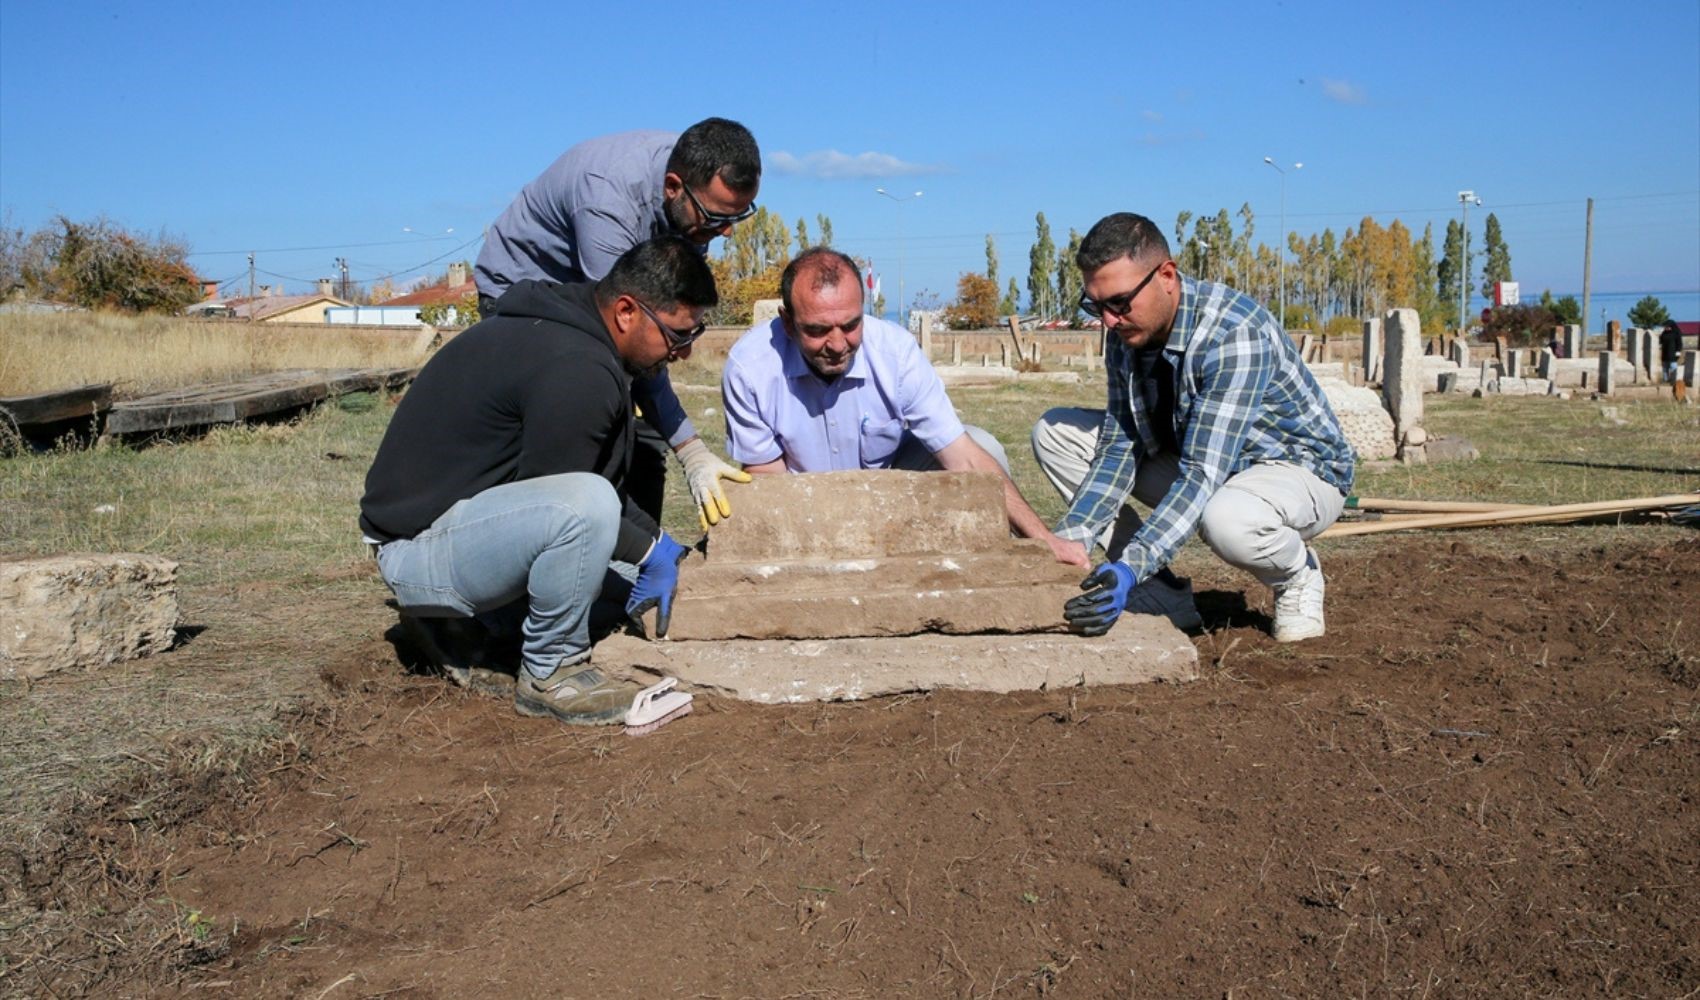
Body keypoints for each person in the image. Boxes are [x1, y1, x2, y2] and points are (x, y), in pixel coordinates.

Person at [361, 237, 716, 725]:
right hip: (416, 551)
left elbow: (592, 487)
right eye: (677, 336)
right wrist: (651, 550)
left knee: (621, 588)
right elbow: (575, 499)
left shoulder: (568, 334)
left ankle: (480, 626)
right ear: (627, 312)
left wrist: (659, 547)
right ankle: (553, 673)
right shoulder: (577, 367)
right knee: (586, 515)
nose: (684, 353)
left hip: (457, 527)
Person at [1030, 212, 1354, 641]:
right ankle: (1156, 589)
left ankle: (1296, 575)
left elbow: (1202, 473)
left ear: (1166, 275)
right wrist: (1072, 542)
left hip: (1294, 471)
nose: (1108, 320)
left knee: (1229, 519)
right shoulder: (1125, 331)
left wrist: (1131, 563)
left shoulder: (1234, 333)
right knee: (1055, 432)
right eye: (1097, 305)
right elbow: (1118, 446)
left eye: (1120, 303)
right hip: (1203, 462)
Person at [474, 118, 761, 530]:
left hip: (584, 290)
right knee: (584, 418)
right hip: (521, 288)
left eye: (739, 216)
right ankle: (533, 541)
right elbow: (628, 334)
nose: (727, 232)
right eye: (715, 219)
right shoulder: (607, 200)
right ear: (673, 187)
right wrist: (690, 447)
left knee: (635, 434)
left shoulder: (689, 192)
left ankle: (633, 567)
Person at [721, 247, 1088, 568]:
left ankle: (983, 562)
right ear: (787, 323)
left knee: (983, 446)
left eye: (850, 325)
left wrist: (1043, 539)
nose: (837, 344)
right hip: (803, 499)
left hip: (889, 485)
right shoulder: (750, 368)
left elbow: (964, 457)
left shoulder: (894, 352)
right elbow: (767, 480)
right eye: (818, 330)